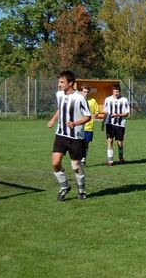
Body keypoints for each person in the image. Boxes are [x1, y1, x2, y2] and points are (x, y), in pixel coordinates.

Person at [47, 71, 91, 201]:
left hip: (75, 138)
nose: (59, 84)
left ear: (70, 83)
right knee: (55, 163)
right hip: (60, 134)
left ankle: (82, 190)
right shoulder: (59, 94)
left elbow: (88, 116)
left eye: (62, 82)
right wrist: (53, 119)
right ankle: (65, 186)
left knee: (76, 166)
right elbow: (61, 108)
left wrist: (75, 123)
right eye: (59, 81)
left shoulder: (80, 98)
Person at [103, 84, 130, 166]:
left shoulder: (124, 100)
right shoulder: (108, 99)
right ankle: (110, 160)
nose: (115, 93)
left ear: (120, 92)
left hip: (120, 125)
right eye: (114, 91)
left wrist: (118, 115)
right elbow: (105, 112)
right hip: (110, 124)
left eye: (117, 91)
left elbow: (127, 114)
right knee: (110, 140)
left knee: (120, 143)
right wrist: (103, 122)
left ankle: (121, 157)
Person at [80, 84, 100, 167]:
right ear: (81, 92)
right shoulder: (78, 100)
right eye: (84, 92)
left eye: (87, 92)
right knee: (78, 144)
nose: (86, 94)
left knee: (86, 144)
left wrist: (94, 115)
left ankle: (83, 159)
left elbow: (97, 112)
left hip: (88, 127)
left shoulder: (92, 101)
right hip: (79, 126)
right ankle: (78, 159)